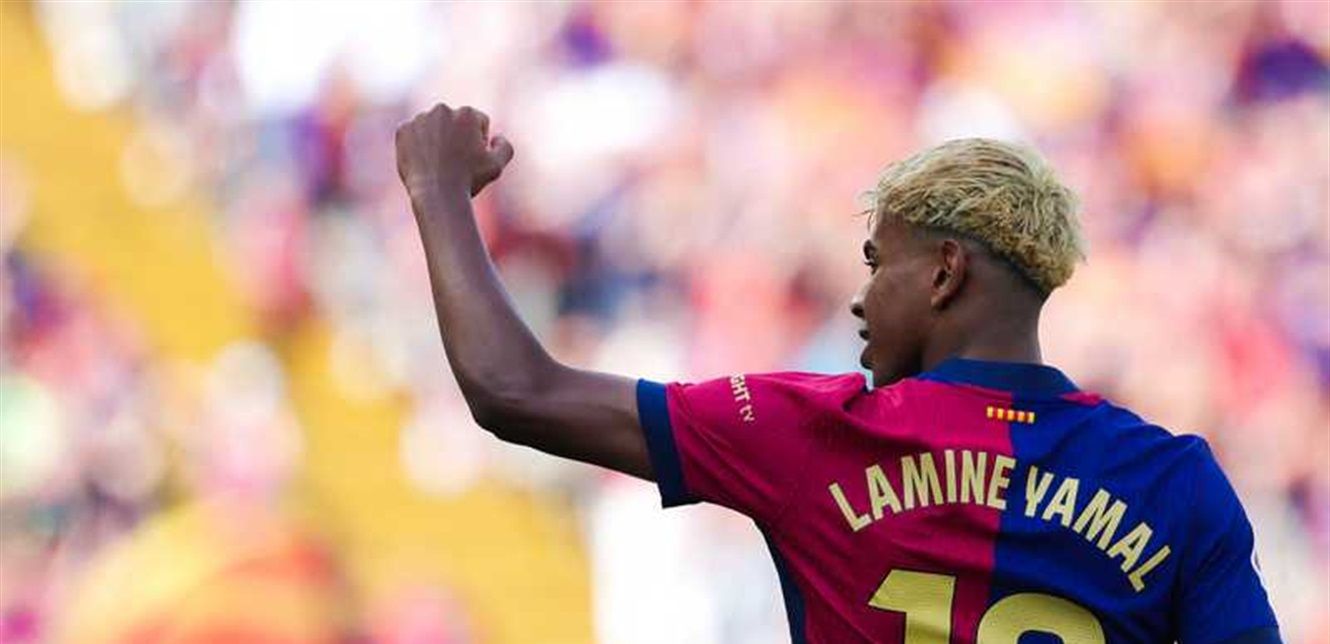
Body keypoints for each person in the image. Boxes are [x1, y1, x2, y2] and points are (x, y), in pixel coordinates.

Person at [393, 103, 1281, 643]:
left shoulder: (809, 432)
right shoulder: (1176, 480)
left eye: (876, 264)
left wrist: (436, 190)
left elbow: (515, 391)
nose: (859, 300)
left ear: (943, 272)